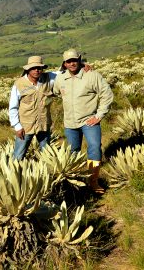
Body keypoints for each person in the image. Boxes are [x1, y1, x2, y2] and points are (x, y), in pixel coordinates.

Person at [53, 49, 113, 194]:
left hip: (89, 121)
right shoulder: (60, 78)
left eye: (74, 60)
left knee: (94, 148)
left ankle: (93, 181)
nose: (72, 63)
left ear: (79, 59)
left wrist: (99, 115)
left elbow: (107, 94)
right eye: (68, 61)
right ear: (64, 64)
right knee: (73, 152)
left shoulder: (91, 75)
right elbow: (55, 91)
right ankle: (76, 183)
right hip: (69, 123)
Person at [9, 56, 55, 160]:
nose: (37, 70)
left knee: (47, 155)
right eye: (33, 68)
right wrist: (17, 126)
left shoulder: (48, 78)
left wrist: (83, 66)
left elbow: (64, 72)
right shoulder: (19, 84)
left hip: (43, 124)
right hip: (25, 126)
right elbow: (13, 107)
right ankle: (15, 174)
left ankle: (47, 174)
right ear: (28, 69)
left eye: (39, 68)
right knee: (18, 156)